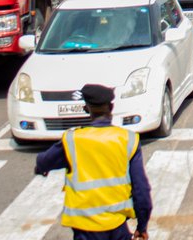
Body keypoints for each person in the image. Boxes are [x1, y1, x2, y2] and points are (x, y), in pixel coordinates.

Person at [34, 83, 152, 240]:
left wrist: (41, 167)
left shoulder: (73, 140)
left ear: (86, 109)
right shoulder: (128, 139)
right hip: (117, 226)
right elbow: (141, 189)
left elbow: (44, 160)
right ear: (111, 107)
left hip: (85, 229)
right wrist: (142, 226)